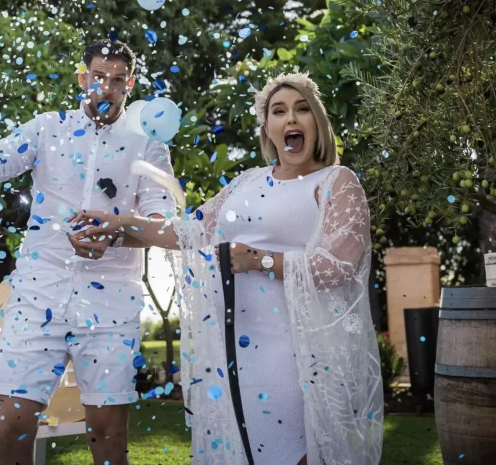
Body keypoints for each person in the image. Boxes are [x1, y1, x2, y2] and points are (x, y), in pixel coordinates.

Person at [69, 72, 384, 465]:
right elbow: (188, 231)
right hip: (234, 353)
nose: (291, 120)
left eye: (302, 109)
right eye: (279, 111)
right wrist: (116, 226)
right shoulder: (247, 183)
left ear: (318, 121)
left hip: (297, 356)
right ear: (267, 127)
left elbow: (340, 266)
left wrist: (258, 260)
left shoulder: (337, 182)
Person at [0, 38, 175, 465]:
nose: (106, 88)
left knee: (108, 432)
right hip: (37, 293)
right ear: (82, 78)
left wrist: (117, 233)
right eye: (98, 77)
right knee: (11, 424)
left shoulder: (149, 146)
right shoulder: (48, 127)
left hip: (111, 302)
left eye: (118, 81)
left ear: (130, 85)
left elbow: (164, 228)